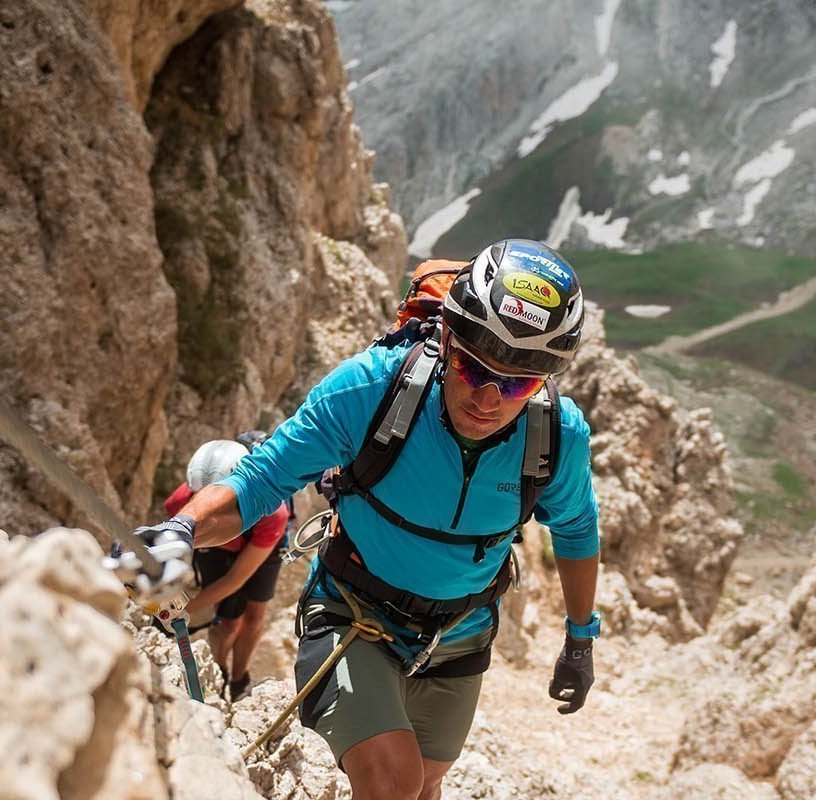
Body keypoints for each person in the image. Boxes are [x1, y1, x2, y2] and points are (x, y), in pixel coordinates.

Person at [133, 239, 602, 800]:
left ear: (546, 380)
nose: (488, 398)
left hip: (461, 635)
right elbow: (260, 479)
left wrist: (580, 641)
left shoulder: (556, 438)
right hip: (352, 614)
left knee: (425, 786)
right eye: (472, 368)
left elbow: (575, 530)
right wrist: (181, 532)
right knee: (391, 785)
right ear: (448, 337)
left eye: (517, 384)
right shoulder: (373, 390)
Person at [163, 436, 290, 702]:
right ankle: (219, 671)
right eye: (201, 496)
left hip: (263, 540)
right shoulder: (181, 504)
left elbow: (236, 579)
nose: (211, 504)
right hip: (218, 546)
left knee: (254, 615)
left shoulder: (273, 512)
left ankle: (238, 678)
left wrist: (179, 612)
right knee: (228, 619)